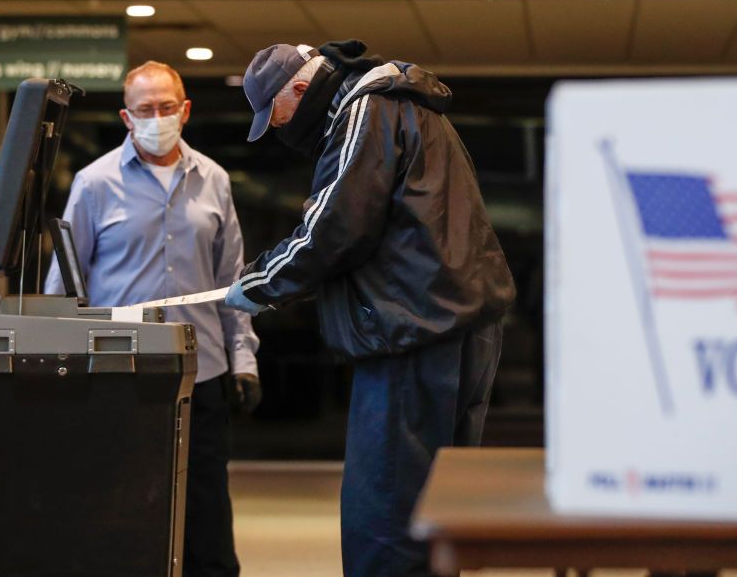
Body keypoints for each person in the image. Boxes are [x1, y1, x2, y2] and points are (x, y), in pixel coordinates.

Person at [224, 40, 516, 576]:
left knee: (385, 512)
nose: (281, 130)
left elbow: (335, 225)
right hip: (458, 322)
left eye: (275, 116)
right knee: (437, 507)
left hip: (411, 329)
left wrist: (261, 282)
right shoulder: (410, 105)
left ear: (297, 88)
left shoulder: (366, 109)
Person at [45, 60, 260, 577]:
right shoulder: (93, 185)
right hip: (121, 378)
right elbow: (63, 286)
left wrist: (244, 361)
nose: (157, 117)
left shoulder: (215, 180)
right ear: (126, 116)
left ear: (184, 110)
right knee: (124, 509)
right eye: (145, 109)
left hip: (201, 374)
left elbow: (235, 283)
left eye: (167, 107)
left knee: (207, 515)